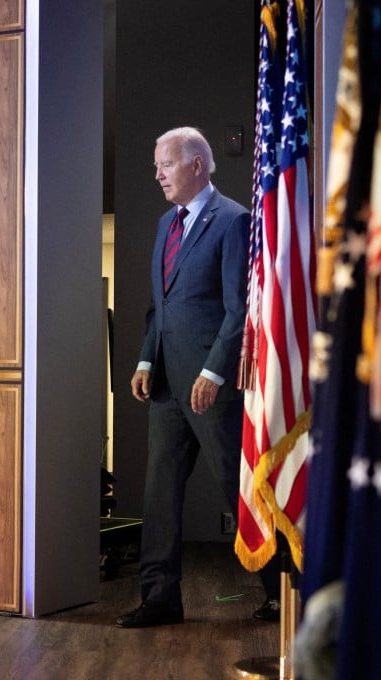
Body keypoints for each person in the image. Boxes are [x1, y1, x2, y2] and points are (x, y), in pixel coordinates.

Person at [116, 127, 280, 629]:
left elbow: (238, 310)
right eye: (155, 165)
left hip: (213, 387)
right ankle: (160, 598)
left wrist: (214, 371)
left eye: (165, 164)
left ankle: (281, 591)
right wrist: (146, 359)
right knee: (158, 493)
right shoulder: (167, 222)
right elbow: (159, 307)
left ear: (196, 165)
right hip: (167, 384)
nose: (158, 174)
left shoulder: (232, 221)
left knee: (239, 487)